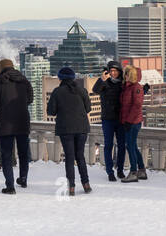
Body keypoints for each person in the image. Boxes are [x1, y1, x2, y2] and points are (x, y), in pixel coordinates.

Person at [0, 59, 33, 194]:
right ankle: (23, 178)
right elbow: (30, 99)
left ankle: (10, 186)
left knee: (6, 154)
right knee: (23, 152)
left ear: (1, 68)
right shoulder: (24, 80)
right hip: (22, 120)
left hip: (4, 121)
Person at [47, 66, 92, 195]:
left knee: (69, 157)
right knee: (80, 156)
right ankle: (86, 184)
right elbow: (88, 109)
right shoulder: (82, 90)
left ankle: (71, 187)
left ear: (60, 78)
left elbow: (51, 111)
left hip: (65, 128)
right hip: (82, 127)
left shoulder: (57, 91)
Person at [92, 61, 124, 181]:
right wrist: (102, 79)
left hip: (120, 119)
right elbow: (95, 90)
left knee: (121, 146)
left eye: (116, 71)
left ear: (120, 72)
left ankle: (120, 170)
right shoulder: (104, 83)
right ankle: (110, 172)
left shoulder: (123, 83)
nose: (113, 73)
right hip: (107, 119)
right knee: (108, 145)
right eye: (111, 71)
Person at [117, 65, 146, 182]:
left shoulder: (136, 87)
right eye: (125, 74)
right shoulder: (127, 87)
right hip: (128, 121)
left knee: (130, 146)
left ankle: (134, 172)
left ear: (132, 75)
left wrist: (129, 121)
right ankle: (142, 170)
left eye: (127, 74)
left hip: (133, 122)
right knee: (133, 146)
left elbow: (137, 106)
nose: (125, 76)